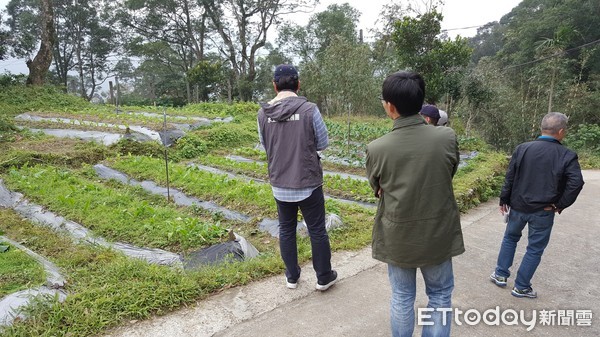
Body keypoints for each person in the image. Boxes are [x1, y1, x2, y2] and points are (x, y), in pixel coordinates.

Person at [366, 71, 464, 337]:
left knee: (401, 296)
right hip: (437, 232)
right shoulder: (446, 137)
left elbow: (377, 189)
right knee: (441, 294)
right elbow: (448, 173)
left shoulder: (377, 148)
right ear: (420, 102)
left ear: (389, 105)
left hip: (398, 234)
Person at [257, 64, 337, 291]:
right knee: (317, 230)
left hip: (279, 183)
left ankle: (292, 276)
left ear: (274, 86)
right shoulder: (310, 109)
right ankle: (323, 277)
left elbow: (266, 146)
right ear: (298, 84)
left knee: (286, 229)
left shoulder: (263, 114)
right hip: (308, 183)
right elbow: (323, 143)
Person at [490, 112, 584, 298]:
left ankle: (500, 275)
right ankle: (521, 287)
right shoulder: (567, 155)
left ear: (542, 128)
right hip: (543, 210)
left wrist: (504, 199)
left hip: (517, 206)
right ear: (561, 131)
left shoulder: (523, 148)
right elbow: (576, 182)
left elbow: (510, 176)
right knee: (534, 248)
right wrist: (559, 204)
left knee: (510, 239)